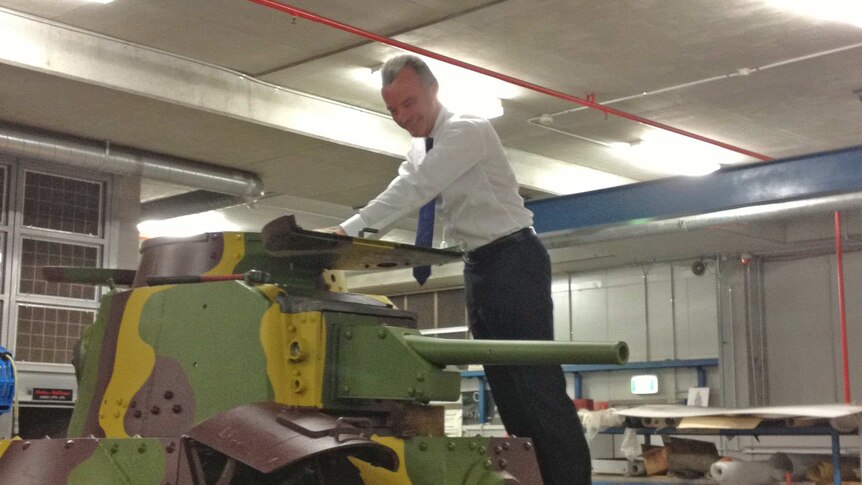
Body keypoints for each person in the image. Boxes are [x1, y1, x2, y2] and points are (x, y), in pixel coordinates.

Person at [331, 54, 591, 484]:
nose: (401, 116)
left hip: (514, 259)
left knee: (535, 384)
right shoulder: (420, 149)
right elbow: (403, 186)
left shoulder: (467, 130)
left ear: (434, 91)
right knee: (505, 388)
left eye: (409, 104)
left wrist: (351, 229)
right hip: (479, 267)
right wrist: (349, 229)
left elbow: (418, 188)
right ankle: (535, 476)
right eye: (393, 109)